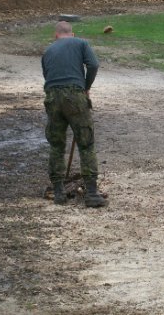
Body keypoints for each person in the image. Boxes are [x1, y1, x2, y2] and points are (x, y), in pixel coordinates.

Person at [41, 21, 107, 207]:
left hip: (52, 98)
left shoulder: (48, 51)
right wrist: (85, 87)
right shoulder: (80, 43)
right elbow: (93, 64)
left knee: (56, 145)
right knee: (86, 143)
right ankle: (92, 194)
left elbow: (48, 77)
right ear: (72, 34)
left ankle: (59, 193)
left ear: (56, 35)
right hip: (75, 96)